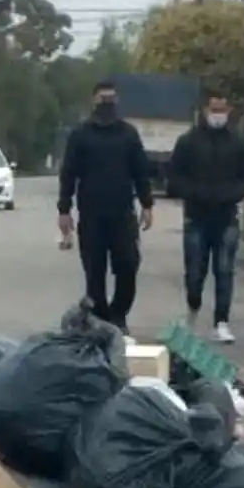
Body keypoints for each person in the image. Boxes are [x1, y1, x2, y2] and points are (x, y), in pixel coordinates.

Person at [58, 81, 154, 334]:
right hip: (91, 214)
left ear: (118, 101)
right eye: (103, 99)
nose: (107, 104)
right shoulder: (80, 134)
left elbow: (140, 171)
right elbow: (68, 174)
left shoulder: (128, 134)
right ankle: (100, 320)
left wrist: (147, 204)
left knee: (128, 263)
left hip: (122, 213)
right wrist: (64, 210)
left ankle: (119, 314)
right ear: (94, 101)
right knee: (94, 269)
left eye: (112, 99)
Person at [166, 90, 244, 344]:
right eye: (214, 110)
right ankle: (193, 309)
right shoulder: (188, 142)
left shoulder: (237, 143)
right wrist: (193, 193)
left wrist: (233, 194)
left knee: (225, 270)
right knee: (195, 271)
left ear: (228, 113)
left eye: (222, 110)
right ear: (204, 111)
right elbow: (173, 177)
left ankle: (221, 321)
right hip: (196, 217)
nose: (218, 115)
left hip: (226, 217)